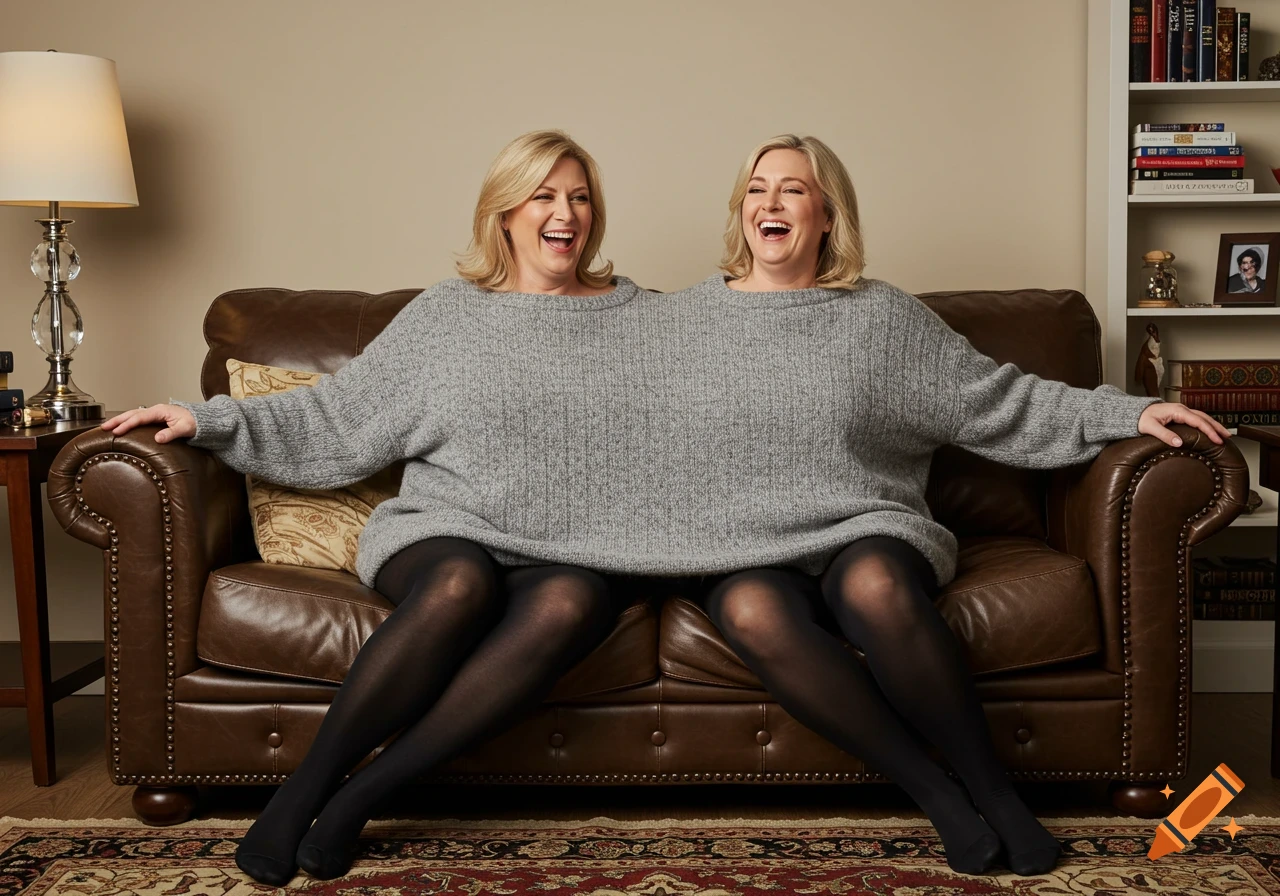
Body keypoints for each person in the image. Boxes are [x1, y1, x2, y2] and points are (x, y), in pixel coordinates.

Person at [101, 130, 642, 885]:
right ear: (504, 212)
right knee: (460, 584)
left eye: (580, 198)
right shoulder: (448, 315)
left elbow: (708, 419)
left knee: (573, 600)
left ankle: (362, 797)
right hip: (445, 531)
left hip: (569, 547)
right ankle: (304, 791)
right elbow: (339, 417)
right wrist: (208, 418)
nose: (566, 214)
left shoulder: (636, 317)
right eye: (544, 196)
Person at [679, 135, 1229, 877]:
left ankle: (995, 792)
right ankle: (939, 795)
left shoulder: (880, 317)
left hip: (863, 524)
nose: (769, 203)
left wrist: (1127, 413)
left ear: (828, 214)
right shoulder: (686, 320)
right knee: (749, 608)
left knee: (875, 585)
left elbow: (999, 398)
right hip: (745, 543)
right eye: (757, 188)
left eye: (793, 189)